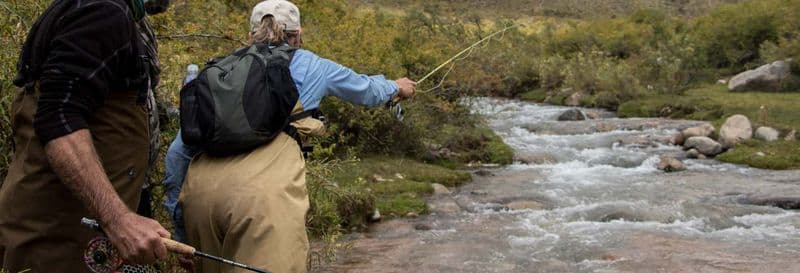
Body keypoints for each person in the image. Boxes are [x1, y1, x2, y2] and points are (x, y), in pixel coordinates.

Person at [163, 1, 416, 272]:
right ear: (298, 35)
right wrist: (396, 87)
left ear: (250, 34)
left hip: (200, 201)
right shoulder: (313, 66)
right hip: (262, 202)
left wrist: (181, 228)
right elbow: (366, 90)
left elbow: (178, 153)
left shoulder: (220, 71)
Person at [0, 0, 174, 272]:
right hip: (55, 242)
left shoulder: (104, 10)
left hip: (69, 232)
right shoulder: (104, 12)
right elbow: (59, 118)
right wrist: (118, 220)